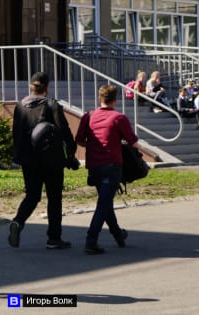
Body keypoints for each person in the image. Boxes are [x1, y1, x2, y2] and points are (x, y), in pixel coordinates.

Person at [10, 71, 77, 249]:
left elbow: (15, 133)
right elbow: (64, 130)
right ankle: (54, 238)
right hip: (51, 159)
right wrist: (71, 154)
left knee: (32, 195)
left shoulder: (20, 106)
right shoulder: (51, 104)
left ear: (31, 87)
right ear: (47, 88)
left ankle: (18, 221)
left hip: (27, 160)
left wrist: (18, 156)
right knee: (54, 198)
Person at [75, 84, 139, 255]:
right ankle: (91, 240)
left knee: (105, 202)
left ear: (99, 98)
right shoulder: (119, 118)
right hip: (112, 165)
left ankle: (118, 234)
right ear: (115, 100)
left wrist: (94, 144)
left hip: (94, 166)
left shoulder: (88, 116)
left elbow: (80, 140)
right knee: (103, 204)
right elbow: (132, 141)